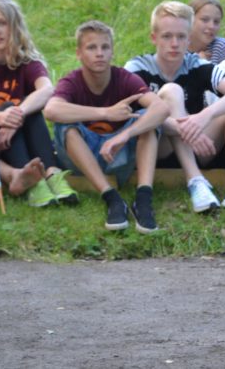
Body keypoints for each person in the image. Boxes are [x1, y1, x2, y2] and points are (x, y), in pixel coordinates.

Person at [125, 1, 225, 217]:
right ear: (154, 38)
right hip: (159, 146)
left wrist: (204, 117)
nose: (175, 43)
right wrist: (182, 126)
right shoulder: (138, 67)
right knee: (171, 91)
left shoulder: (196, 64)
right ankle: (196, 181)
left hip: (199, 146)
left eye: (181, 37)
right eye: (167, 36)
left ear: (189, 38)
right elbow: (126, 113)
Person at [44, 21, 169, 232]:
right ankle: (111, 198)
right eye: (91, 48)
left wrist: (125, 134)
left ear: (112, 52)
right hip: (84, 159)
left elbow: (162, 109)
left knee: (147, 118)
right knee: (65, 125)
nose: (99, 53)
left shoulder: (125, 78)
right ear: (79, 53)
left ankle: (144, 198)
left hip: (119, 155)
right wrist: (105, 113)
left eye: (105, 47)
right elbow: (51, 110)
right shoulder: (72, 81)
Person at [0, 0, 78, 208]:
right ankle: (32, 184)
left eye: (2, 23)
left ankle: (52, 174)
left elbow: (48, 89)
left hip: (16, 134)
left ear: (14, 27)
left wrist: (16, 116)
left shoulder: (28, 61)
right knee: (10, 107)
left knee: (27, 109)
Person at [188, 0, 225, 64]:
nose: (211, 26)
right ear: (190, 19)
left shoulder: (222, 47)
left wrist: (205, 65)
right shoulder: (177, 45)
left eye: (216, 22)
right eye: (205, 20)